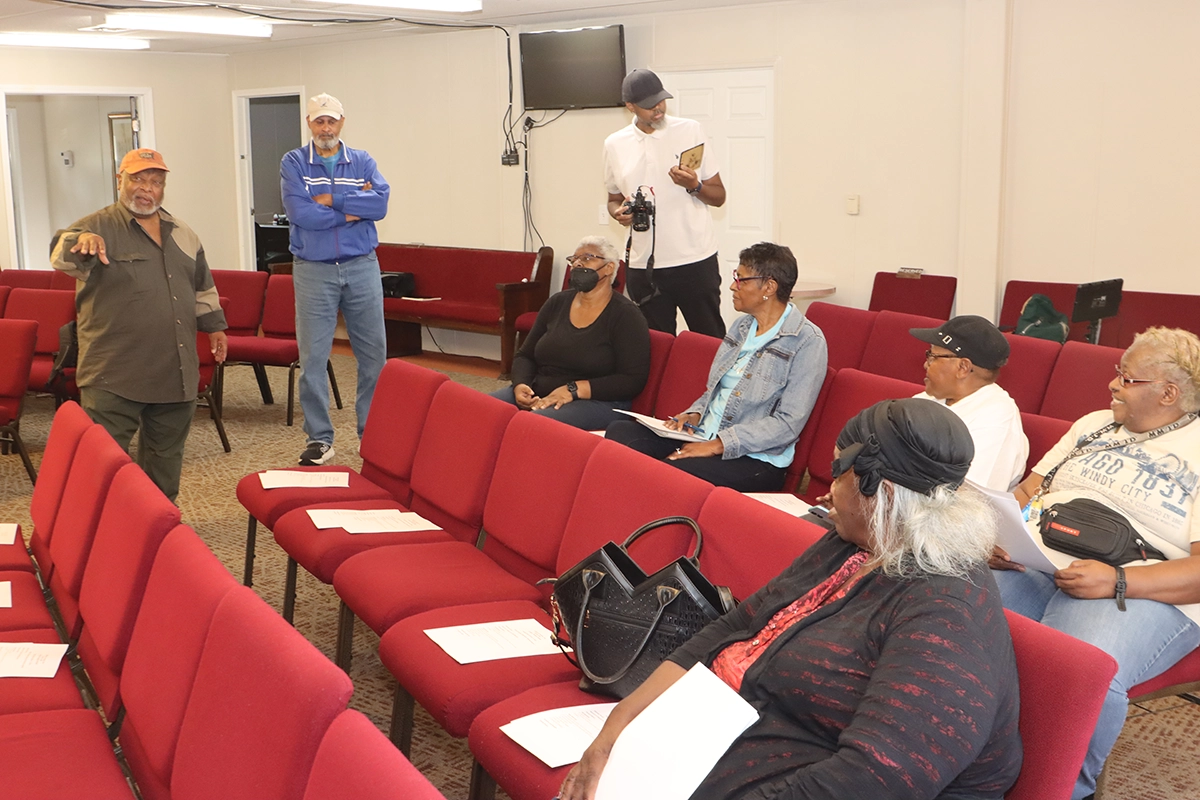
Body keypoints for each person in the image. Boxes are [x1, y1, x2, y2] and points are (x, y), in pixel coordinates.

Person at [563, 399, 1022, 800]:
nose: (828, 491)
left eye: (838, 473)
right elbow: (737, 627)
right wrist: (618, 727)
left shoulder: (946, 611)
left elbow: (875, 778)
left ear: (880, 493)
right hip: (716, 744)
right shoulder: (854, 543)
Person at [993, 326, 1200, 800]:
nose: (1112, 385)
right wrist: (999, 535)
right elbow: (1026, 493)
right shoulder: (1093, 425)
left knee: (1075, 666)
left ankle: (1059, 789)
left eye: (1127, 378)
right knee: (948, 605)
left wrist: (1118, 580)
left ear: (1169, 393)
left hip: (1142, 586)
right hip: (1038, 561)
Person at [50, 148, 227, 504]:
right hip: (115, 374)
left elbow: (202, 285)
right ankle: (93, 531)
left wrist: (215, 327)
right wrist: (81, 243)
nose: (147, 188)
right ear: (120, 180)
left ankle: (156, 527)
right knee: (100, 466)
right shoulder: (95, 226)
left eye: (156, 182)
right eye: (138, 179)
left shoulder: (184, 233)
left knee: (165, 464)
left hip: (174, 372)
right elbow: (60, 253)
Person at [605, 242, 826, 493]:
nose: (733, 286)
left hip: (753, 458)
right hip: (704, 435)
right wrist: (695, 414)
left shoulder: (807, 341)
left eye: (741, 279)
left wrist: (718, 444)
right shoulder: (741, 327)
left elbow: (787, 424)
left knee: (669, 474)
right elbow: (716, 390)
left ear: (769, 287)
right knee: (621, 433)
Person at [281, 92, 389, 466]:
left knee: (373, 356)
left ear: (341, 122)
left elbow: (380, 204)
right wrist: (354, 208)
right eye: (319, 121)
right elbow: (302, 214)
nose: (325, 128)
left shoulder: (362, 161)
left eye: (331, 121)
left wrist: (332, 200)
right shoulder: (294, 162)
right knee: (313, 358)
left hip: (362, 266)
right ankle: (319, 438)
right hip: (314, 270)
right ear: (309, 124)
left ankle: (372, 433)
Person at [604, 68, 727, 338]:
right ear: (630, 106)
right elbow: (613, 199)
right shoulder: (615, 144)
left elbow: (719, 196)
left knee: (709, 340)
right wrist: (618, 213)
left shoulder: (690, 130)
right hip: (643, 266)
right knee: (656, 346)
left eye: (661, 100)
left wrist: (694, 186)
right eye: (649, 105)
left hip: (694, 260)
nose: (658, 108)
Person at [491, 236, 650, 431]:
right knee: (480, 410)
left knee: (530, 426)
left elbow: (632, 379)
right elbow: (525, 355)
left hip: (598, 402)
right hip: (540, 390)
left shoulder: (626, 314)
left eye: (587, 258)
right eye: (574, 259)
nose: (577, 264)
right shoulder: (557, 302)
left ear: (609, 268)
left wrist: (573, 389)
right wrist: (520, 384)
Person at [909, 315, 1028, 491]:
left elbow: (972, 497)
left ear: (963, 367)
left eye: (932, 356)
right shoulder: (927, 399)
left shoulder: (997, 418)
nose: (926, 365)